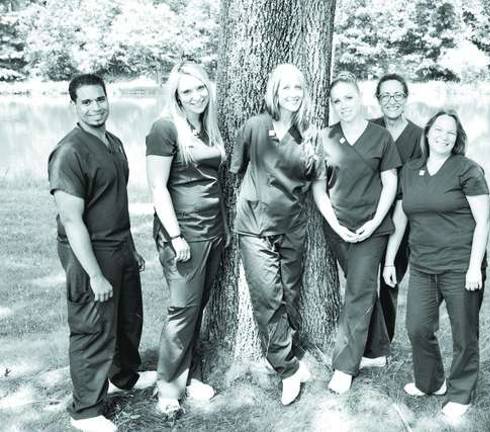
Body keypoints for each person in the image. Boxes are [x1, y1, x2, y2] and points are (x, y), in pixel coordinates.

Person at [48, 74, 155, 432]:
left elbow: (114, 201)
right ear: (74, 106)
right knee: (92, 329)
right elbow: (71, 219)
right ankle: (86, 411)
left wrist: (130, 248)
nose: (96, 107)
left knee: (127, 320)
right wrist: (93, 274)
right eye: (87, 102)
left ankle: (123, 378)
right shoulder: (69, 152)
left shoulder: (115, 142)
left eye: (100, 99)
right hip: (89, 253)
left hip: (120, 247)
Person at [383, 110, 489, 418]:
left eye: (451, 133)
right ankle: (430, 382)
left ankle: (461, 393)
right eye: (438, 130)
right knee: (417, 327)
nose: (443, 136)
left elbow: (483, 221)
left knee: (464, 333)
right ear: (427, 133)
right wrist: (390, 260)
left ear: (457, 140)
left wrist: (474, 266)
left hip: (460, 264)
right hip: (422, 264)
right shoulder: (411, 170)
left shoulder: (468, 170)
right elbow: (401, 218)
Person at [229, 63, 323, 406]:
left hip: (293, 229)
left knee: (290, 297)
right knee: (268, 298)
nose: (293, 94)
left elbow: (317, 186)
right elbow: (237, 171)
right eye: (286, 88)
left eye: (298, 88)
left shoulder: (311, 136)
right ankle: (287, 369)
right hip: (254, 228)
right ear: (274, 91)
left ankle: (289, 352)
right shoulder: (255, 126)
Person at [146, 61, 227, 415]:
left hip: (213, 232)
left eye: (199, 88)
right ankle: (167, 390)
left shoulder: (208, 127)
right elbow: (156, 186)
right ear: (176, 97)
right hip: (184, 236)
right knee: (182, 311)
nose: (195, 96)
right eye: (186, 91)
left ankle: (186, 376)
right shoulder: (165, 128)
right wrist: (175, 235)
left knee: (197, 310)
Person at [312, 71, 401, 394]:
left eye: (348, 97)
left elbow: (390, 182)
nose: (343, 105)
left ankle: (345, 365)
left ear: (359, 98)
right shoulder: (324, 138)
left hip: (372, 228)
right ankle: (376, 351)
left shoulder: (380, 137)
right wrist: (335, 224)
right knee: (363, 288)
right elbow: (318, 187)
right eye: (336, 101)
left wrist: (375, 222)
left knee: (357, 292)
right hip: (338, 228)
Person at [362, 73, 422, 369]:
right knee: (362, 280)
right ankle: (365, 338)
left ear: (406, 97)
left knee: (389, 281)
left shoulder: (420, 136)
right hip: (369, 215)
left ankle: (382, 347)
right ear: (377, 99)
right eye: (385, 95)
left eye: (397, 94)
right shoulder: (368, 129)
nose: (392, 101)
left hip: (403, 219)